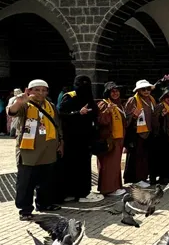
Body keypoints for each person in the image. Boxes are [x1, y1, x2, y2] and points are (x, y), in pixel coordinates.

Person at [8, 79, 63, 220]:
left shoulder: (50, 105)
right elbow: (13, 111)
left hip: (49, 149)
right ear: (29, 90)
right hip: (29, 151)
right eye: (37, 90)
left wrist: (61, 141)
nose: (41, 93)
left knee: (46, 180)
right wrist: (19, 101)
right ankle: (25, 210)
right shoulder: (24, 104)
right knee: (26, 182)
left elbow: (57, 124)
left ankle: (44, 204)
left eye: (44, 90)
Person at [59, 75, 103, 203]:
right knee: (71, 166)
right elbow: (61, 115)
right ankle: (76, 193)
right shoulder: (69, 97)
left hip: (86, 139)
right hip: (72, 139)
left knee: (83, 167)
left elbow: (94, 114)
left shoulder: (89, 98)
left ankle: (83, 192)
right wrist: (78, 113)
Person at [124, 79, 159, 187]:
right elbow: (126, 117)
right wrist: (134, 116)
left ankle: (144, 177)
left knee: (145, 156)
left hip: (149, 132)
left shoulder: (151, 99)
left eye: (148, 89)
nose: (146, 91)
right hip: (137, 133)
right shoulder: (133, 100)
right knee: (137, 157)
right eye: (143, 89)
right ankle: (137, 179)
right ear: (138, 90)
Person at [96, 81, 127, 197]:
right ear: (108, 93)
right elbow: (100, 121)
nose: (115, 93)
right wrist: (107, 111)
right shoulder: (104, 104)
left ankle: (116, 186)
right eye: (112, 91)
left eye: (117, 91)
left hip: (118, 139)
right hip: (109, 140)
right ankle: (108, 189)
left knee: (115, 165)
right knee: (108, 165)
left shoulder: (118, 104)